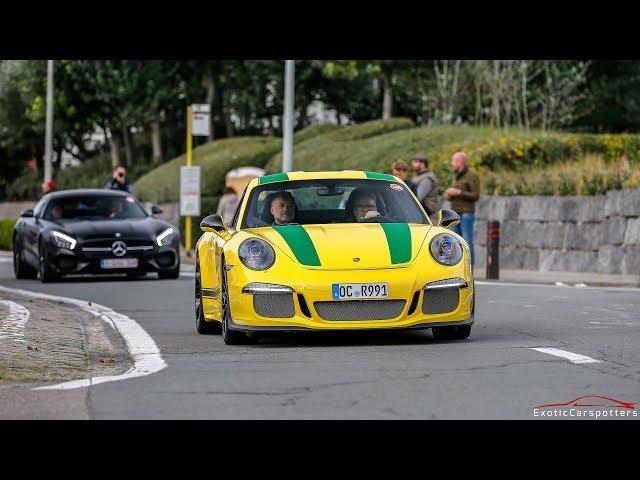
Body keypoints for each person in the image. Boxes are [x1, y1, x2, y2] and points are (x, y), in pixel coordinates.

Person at [444, 151, 480, 267]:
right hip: (455, 214)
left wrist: (458, 192)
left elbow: (476, 195)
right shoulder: (457, 176)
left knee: (467, 242)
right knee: (455, 243)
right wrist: (450, 195)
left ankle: (470, 267)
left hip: (466, 214)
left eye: (453, 161)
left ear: (460, 162)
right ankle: (459, 268)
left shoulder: (471, 176)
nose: (451, 164)